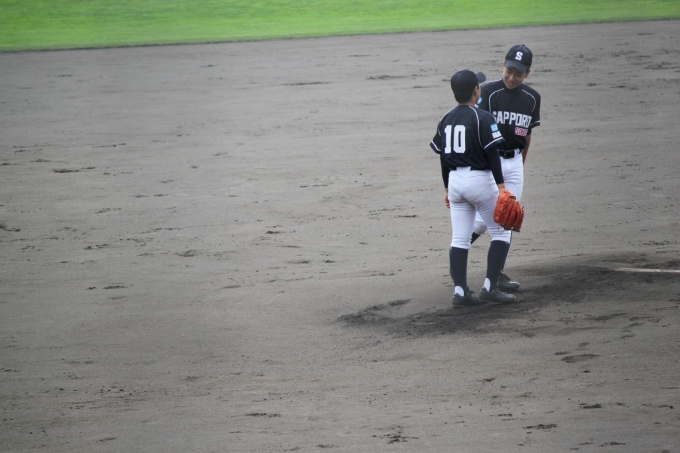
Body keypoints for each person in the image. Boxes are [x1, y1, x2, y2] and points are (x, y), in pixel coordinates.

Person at [430, 69, 516, 307]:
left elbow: (443, 157)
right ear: (476, 90)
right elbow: (492, 154)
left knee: (460, 238)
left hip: (455, 181)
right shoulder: (483, 117)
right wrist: (501, 187)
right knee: (501, 232)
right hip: (479, 181)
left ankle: (460, 293)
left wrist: (447, 188)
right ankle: (490, 288)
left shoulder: (446, 119)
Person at [470, 44, 542, 292]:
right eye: (509, 71)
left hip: (514, 163)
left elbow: (527, 135)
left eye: (518, 73)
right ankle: (459, 248)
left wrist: (519, 164)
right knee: (487, 221)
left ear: (527, 73)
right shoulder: (488, 92)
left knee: (508, 216)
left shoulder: (532, 98)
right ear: (503, 66)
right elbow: (476, 131)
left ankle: (495, 274)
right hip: (490, 162)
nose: (512, 77)